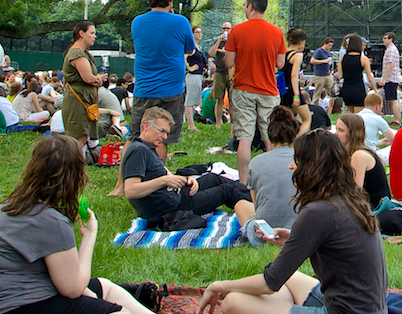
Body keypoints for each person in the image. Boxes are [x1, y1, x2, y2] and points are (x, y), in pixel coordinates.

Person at [0, 135, 219, 314]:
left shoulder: (9, 207)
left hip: (13, 308)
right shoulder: (50, 220)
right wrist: (90, 236)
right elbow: (72, 288)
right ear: (74, 176)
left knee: (104, 286)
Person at [193, 128, 388, 314]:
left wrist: (218, 286)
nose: (290, 166)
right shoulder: (350, 200)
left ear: (311, 166)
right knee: (291, 279)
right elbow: (338, 252)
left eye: (296, 160)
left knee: (232, 302)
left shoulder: (319, 211)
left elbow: (269, 282)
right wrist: (292, 241)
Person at [123, 107, 255, 226]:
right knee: (227, 191)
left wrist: (186, 180)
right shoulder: (138, 151)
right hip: (169, 207)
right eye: (161, 131)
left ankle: (259, 196)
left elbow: (164, 173)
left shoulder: (147, 147)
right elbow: (130, 191)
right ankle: (260, 208)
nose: (164, 137)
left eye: (166, 133)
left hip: (174, 196)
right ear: (146, 126)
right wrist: (164, 181)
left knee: (214, 178)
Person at [223, 0, 287, 185]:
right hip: (268, 89)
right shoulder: (276, 32)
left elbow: (229, 62)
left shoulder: (237, 30)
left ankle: (244, 183)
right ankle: (274, 180)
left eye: (244, 5)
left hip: (244, 88)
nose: (244, 8)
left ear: (250, 6)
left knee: (244, 138)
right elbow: (280, 63)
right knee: (270, 137)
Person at [129, 0, 196, 151]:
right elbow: (190, 49)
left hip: (144, 89)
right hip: (171, 90)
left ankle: (123, 178)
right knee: (162, 139)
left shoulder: (137, 22)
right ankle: (158, 176)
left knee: (135, 136)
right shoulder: (180, 22)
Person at [242, 106, 298, 247]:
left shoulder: (256, 162)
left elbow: (256, 204)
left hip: (264, 235)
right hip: (298, 232)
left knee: (241, 205)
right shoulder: (305, 161)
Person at [62, 21, 104, 148]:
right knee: (78, 138)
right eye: (91, 33)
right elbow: (89, 79)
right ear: (81, 34)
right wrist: (99, 78)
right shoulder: (77, 54)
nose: (94, 36)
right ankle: (73, 165)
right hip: (78, 100)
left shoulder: (80, 53)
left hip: (82, 99)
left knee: (82, 136)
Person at [339, 113, 391, 210]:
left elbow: (354, 191)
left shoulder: (359, 155)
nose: (336, 134)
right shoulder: (355, 152)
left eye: (341, 130)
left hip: (376, 208)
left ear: (351, 133)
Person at [282, 27, 312, 137]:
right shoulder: (297, 55)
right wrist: (296, 95)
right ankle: (297, 142)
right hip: (292, 90)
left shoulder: (283, 54)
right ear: (300, 42)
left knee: (288, 121)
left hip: (282, 91)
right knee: (307, 119)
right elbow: (294, 75)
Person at [337, 34, 377, 114]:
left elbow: (339, 76)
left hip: (346, 90)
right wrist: (375, 89)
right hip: (358, 90)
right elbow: (370, 77)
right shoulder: (363, 59)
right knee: (358, 117)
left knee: (351, 117)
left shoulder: (343, 57)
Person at [208, 21, 233, 130]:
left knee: (232, 100)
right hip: (219, 72)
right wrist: (219, 40)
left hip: (231, 72)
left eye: (228, 28)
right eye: (224, 28)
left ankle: (232, 123)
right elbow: (211, 53)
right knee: (219, 99)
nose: (225, 30)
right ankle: (218, 122)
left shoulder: (233, 41)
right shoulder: (218, 41)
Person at [184, 25, 207, 132]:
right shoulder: (191, 47)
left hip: (199, 75)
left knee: (193, 100)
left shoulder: (198, 47)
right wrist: (189, 67)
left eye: (200, 32)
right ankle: (190, 124)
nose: (199, 34)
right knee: (189, 100)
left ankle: (191, 123)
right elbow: (183, 57)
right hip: (192, 76)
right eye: (197, 32)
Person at [380, 32, 402, 121]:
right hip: (390, 78)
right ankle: (396, 119)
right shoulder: (390, 49)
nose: (383, 40)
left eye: (385, 38)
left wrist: (384, 79)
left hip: (391, 79)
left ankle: (396, 120)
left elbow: (390, 65)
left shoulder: (392, 50)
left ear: (391, 39)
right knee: (391, 99)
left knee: (393, 100)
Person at [309, 37, 334, 103]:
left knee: (332, 90)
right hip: (319, 75)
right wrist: (323, 61)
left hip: (327, 74)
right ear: (325, 44)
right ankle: (315, 106)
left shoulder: (328, 52)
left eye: (331, 46)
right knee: (318, 92)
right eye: (329, 45)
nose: (330, 47)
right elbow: (312, 60)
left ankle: (333, 106)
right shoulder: (319, 51)